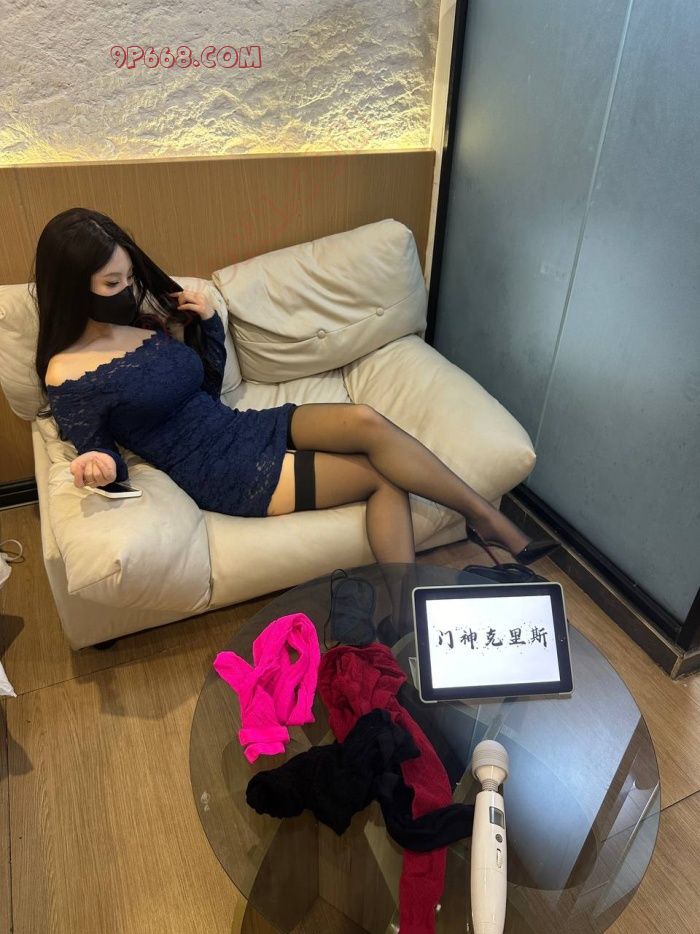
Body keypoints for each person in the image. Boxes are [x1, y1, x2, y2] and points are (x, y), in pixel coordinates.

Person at [34, 207, 557, 573]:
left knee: (365, 419)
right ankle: (404, 613)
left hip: (237, 426)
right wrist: (99, 466)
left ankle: (486, 517)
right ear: (73, 286)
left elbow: (204, 390)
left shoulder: (140, 325)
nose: (127, 290)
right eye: (112, 283)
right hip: (218, 471)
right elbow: (101, 454)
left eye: (128, 277)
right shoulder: (67, 374)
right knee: (382, 480)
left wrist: (210, 322)